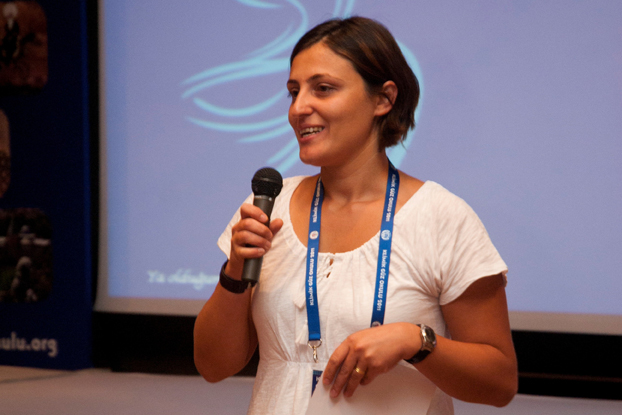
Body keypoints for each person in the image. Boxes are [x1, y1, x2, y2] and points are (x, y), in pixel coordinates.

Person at [194, 16, 518, 415]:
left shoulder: (441, 217)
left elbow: (499, 383)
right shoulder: (268, 207)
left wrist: (415, 341)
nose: (298, 108)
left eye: (323, 89)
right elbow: (213, 366)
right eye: (294, 92)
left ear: (383, 99)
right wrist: (234, 272)